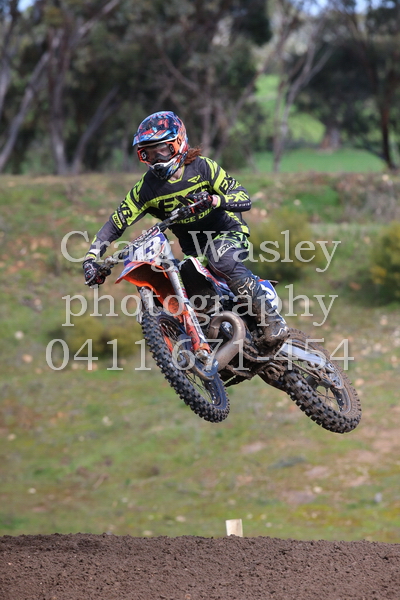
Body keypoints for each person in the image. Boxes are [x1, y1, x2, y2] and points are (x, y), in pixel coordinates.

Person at [83, 111, 288, 347]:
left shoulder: (203, 168)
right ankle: (212, 339)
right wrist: (91, 258)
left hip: (227, 231)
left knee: (220, 259)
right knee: (185, 282)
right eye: (148, 154)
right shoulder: (146, 189)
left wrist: (213, 200)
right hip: (194, 249)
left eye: (162, 150)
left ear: (178, 143)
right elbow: (116, 222)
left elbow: (242, 197)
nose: (157, 159)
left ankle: (272, 321)